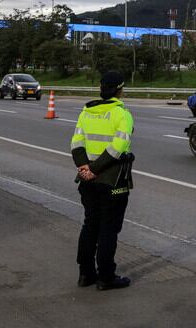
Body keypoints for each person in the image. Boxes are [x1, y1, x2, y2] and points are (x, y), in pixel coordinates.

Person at [71, 70, 135, 290]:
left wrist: (85, 169)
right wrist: (96, 169)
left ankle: (85, 274)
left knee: (90, 225)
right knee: (108, 229)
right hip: (112, 180)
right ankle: (106, 277)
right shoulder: (122, 114)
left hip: (87, 180)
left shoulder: (86, 111)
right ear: (120, 89)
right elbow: (118, 147)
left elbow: (76, 143)